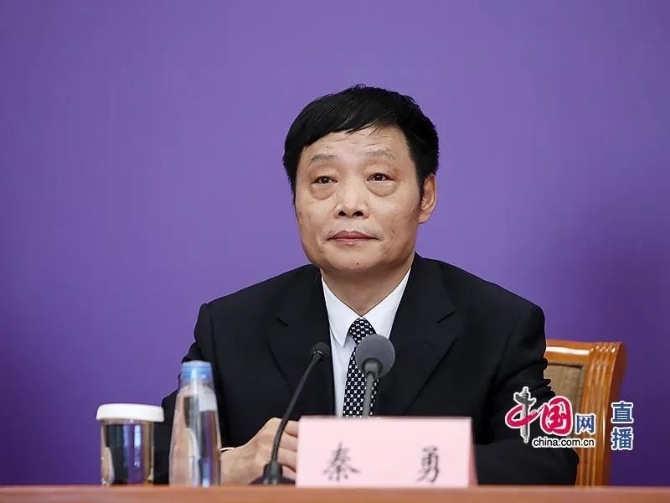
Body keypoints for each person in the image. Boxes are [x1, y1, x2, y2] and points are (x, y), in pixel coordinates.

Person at [153, 84, 578, 485]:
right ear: (296, 201)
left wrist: (383, 461)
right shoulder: (231, 326)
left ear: (425, 196)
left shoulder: (498, 324)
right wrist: (227, 464)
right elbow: (155, 454)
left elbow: (549, 457)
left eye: (378, 178)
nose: (350, 205)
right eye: (324, 180)